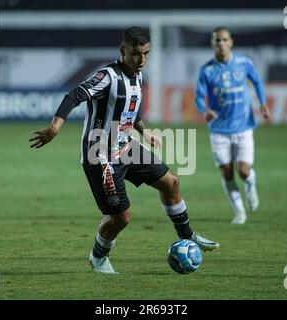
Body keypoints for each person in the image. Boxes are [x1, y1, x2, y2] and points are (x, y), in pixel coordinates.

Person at [30, 26, 219, 274]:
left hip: (126, 147)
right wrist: (55, 127)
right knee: (122, 218)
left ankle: (187, 236)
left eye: (146, 54)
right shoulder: (108, 76)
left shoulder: (137, 75)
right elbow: (75, 95)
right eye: (136, 54)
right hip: (99, 156)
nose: (142, 60)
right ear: (123, 50)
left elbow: (131, 107)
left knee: (171, 183)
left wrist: (145, 132)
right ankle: (98, 257)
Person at [194, 27, 271, 225]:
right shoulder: (207, 70)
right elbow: (198, 97)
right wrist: (205, 110)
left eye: (224, 40)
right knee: (227, 173)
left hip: (244, 126)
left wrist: (262, 102)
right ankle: (239, 212)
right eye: (217, 40)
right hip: (219, 130)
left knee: (244, 171)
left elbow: (257, 81)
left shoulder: (243, 63)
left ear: (231, 42)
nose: (221, 43)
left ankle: (251, 185)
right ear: (212, 44)